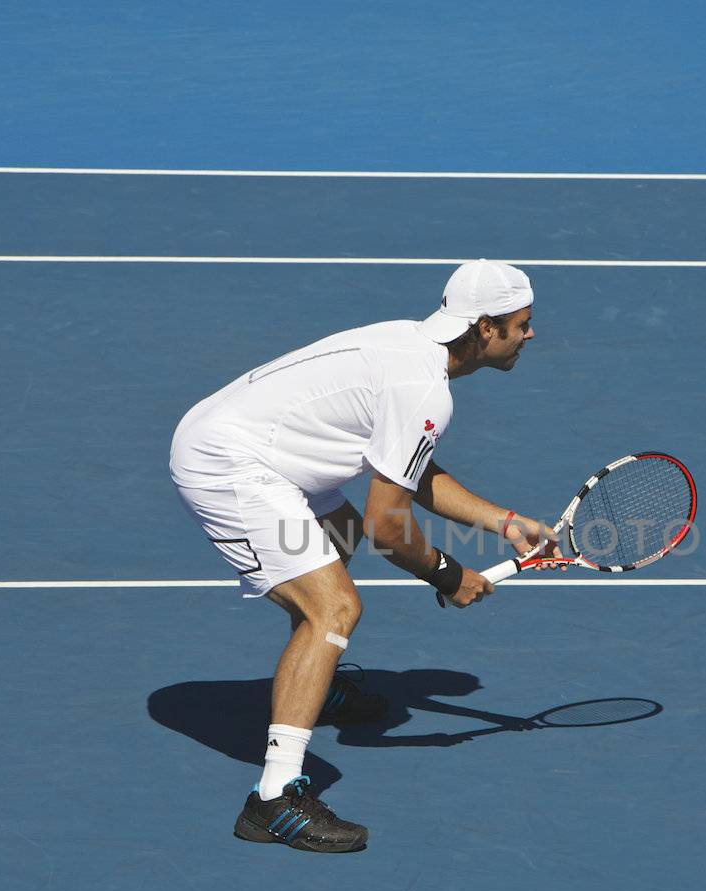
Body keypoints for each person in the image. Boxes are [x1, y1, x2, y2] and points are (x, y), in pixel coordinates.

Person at [169, 260, 555, 853]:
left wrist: (502, 522)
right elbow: (389, 526)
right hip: (230, 462)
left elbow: (407, 469)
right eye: (522, 324)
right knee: (335, 610)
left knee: (337, 538)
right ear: (484, 328)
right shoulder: (421, 387)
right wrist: (449, 575)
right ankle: (273, 799)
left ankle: (313, 685)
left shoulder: (411, 346)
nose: (530, 334)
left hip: (270, 447)